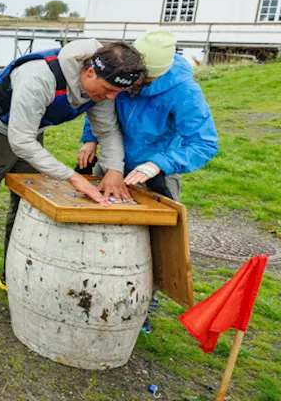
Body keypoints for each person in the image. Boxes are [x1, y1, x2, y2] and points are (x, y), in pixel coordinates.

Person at [0, 39, 146, 322]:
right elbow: (21, 142)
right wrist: (73, 178)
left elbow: (108, 131)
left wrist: (114, 168)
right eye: (110, 90)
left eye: (118, 92)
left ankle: (10, 272)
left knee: (25, 206)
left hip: (29, 129)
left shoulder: (100, 89)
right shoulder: (38, 78)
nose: (112, 98)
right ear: (90, 72)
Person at [77, 29, 218, 333]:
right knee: (97, 228)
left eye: (143, 81)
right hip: (113, 165)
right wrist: (89, 139)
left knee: (153, 243)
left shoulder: (184, 91)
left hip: (158, 171)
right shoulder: (126, 75)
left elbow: (205, 143)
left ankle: (142, 307)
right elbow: (104, 105)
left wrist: (159, 164)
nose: (134, 87)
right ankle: (90, 290)